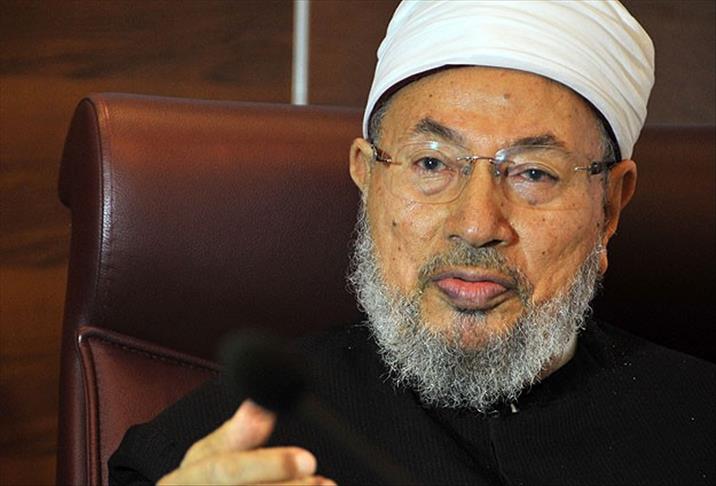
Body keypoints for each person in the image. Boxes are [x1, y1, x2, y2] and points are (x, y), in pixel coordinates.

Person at [109, 1, 715, 485]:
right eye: (431, 164)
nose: (476, 224)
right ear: (367, 178)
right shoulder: (210, 453)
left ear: (610, 206)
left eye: (534, 173)